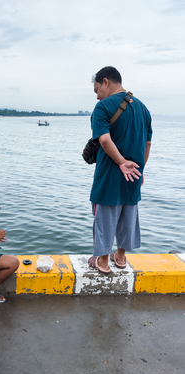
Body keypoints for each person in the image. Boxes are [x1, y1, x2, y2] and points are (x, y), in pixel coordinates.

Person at [88, 66, 152, 274]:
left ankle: (103, 262)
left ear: (106, 82)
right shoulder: (143, 109)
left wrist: (121, 162)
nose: (97, 97)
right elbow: (147, 144)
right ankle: (121, 258)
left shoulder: (103, 108)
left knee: (104, 216)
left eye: (97, 89)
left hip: (109, 174)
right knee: (128, 215)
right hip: (134, 173)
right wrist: (138, 169)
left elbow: (105, 140)